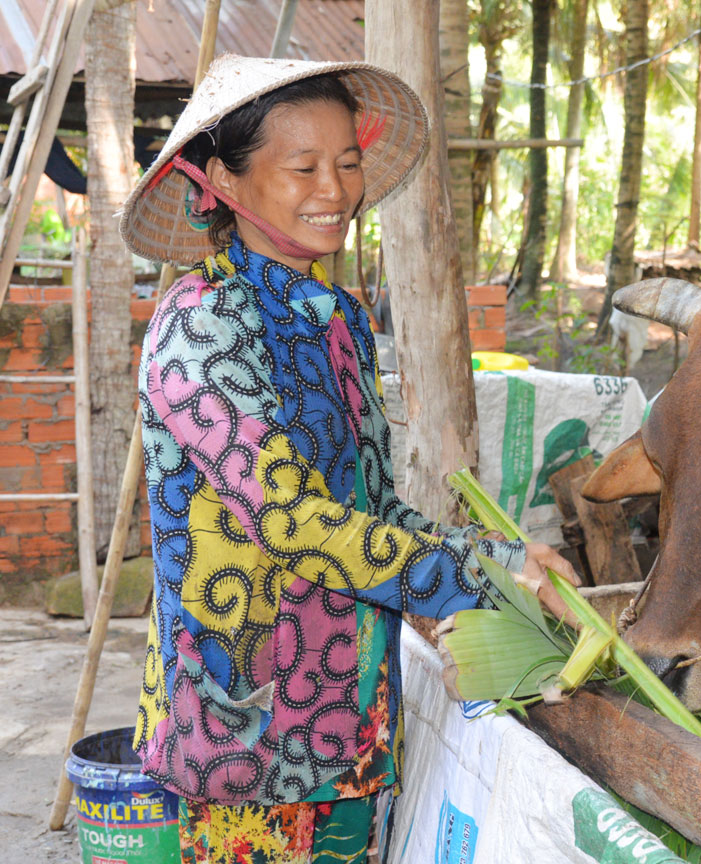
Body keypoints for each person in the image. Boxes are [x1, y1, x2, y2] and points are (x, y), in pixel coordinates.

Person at [117, 55, 578, 864]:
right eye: (302, 167)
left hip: (348, 730)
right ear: (226, 179)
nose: (334, 189)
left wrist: (504, 561)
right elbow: (295, 523)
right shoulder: (199, 327)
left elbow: (369, 510)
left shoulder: (337, 320)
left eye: (348, 162)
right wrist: (481, 575)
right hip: (247, 744)